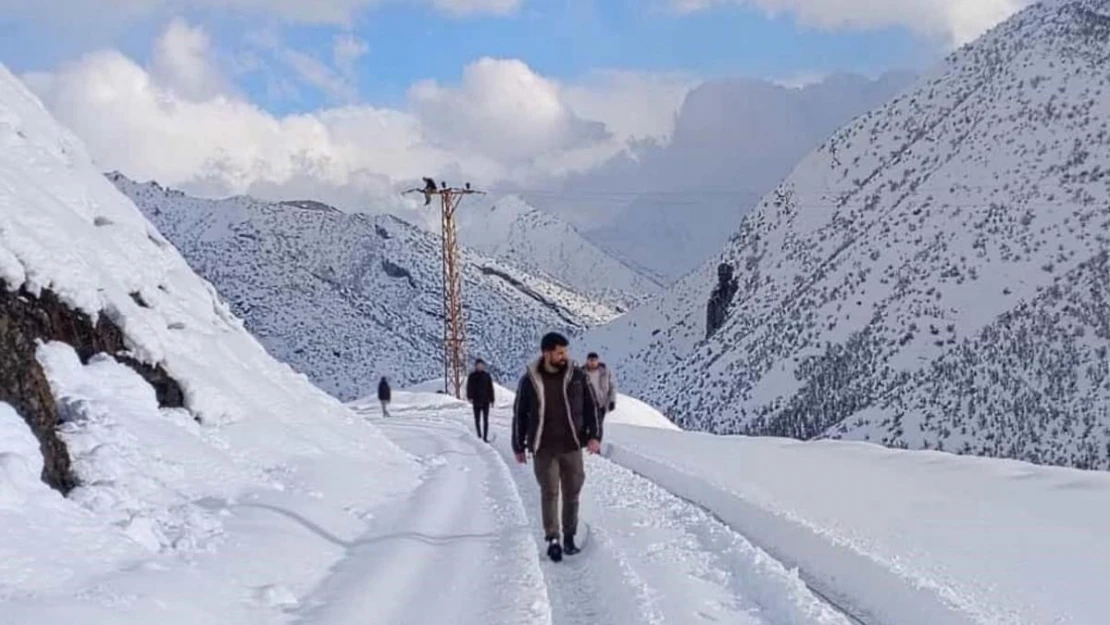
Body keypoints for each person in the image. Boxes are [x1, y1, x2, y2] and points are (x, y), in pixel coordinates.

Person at [511, 332, 601, 562]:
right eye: (559, 352)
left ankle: (569, 537)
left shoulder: (578, 376)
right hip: (543, 447)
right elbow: (520, 414)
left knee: (572, 492)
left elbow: (592, 408)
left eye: (565, 352)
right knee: (549, 492)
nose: (564, 356)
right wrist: (518, 445)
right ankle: (552, 538)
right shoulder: (530, 380)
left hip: (571, 444)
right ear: (546, 353)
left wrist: (595, 436)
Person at [582, 352, 616, 424]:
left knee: (599, 426)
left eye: (594, 360)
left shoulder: (605, 372)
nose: (592, 362)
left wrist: (612, 401)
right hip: (587, 405)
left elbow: (612, 387)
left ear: (598, 361)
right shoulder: (582, 373)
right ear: (587, 361)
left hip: (601, 404)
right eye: (591, 360)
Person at [466, 359, 495, 441]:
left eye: (481, 365)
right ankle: (479, 435)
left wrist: (492, 399)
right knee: (477, 419)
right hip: (476, 401)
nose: (480, 367)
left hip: (486, 401)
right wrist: (470, 397)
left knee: (486, 420)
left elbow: (490, 388)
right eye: (478, 365)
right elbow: (469, 387)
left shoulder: (487, 376)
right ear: (475, 366)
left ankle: (485, 437)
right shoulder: (472, 376)